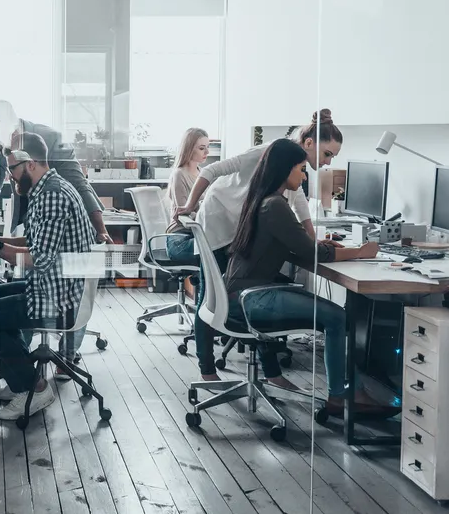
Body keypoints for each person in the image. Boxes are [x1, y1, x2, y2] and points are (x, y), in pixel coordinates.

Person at [171, 109, 343, 384]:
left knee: (254, 286)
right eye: (327, 154)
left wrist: (311, 239)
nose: (327, 161)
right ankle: (207, 370)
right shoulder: (268, 152)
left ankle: (272, 373)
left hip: (242, 225)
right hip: (219, 221)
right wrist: (190, 205)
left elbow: (298, 202)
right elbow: (214, 170)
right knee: (212, 296)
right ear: (309, 143)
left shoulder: (292, 167)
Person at [225, 138, 395, 417]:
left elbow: (306, 246)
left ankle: (349, 390)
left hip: (239, 294)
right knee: (337, 318)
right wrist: (361, 251)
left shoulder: (264, 200)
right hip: (252, 298)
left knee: (334, 315)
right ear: (285, 170)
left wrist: (328, 247)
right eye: (301, 169)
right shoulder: (274, 205)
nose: (304, 176)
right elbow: (315, 254)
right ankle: (341, 396)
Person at [0, 132, 97, 421]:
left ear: (31, 164)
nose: (9, 176)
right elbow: (37, 242)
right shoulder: (48, 188)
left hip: (61, 299)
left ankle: (32, 387)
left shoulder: (51, 196)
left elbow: (39, 259)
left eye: (12, 168)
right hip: (60, 286)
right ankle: (22, 373)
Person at [0, 101, 111, 243]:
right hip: (29, 211)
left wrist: (102, 231)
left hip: (60, 212)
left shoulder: (52, 138)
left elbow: (79, 184)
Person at [163, 127, 211, 265]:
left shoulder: (203, 173)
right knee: (216, 250)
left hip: (197, 235)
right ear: (189, 148)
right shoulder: (179, 174)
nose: (207, 152)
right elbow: (183, 216)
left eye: (208, 147)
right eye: (202, 148)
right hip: (179, 240)